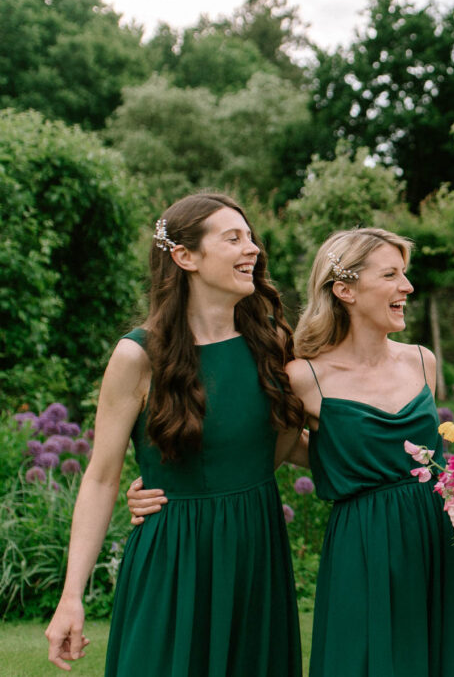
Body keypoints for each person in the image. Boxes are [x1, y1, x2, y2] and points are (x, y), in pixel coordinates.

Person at [45, 193, 305, 674]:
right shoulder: (137, 356)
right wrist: (71, 597)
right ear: (186, 257)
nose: (252, 249)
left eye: (250, 237)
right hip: (174, 559)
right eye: (233, 238)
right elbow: (101, 478)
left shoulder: (271, 345)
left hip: (256, 556)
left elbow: (286, 447)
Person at [284, 228, 454, 676]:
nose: (408, 287)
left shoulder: (422, 360)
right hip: (360, 540)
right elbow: (278, 448)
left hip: (433, 531)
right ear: (344, 290)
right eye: (391, 275)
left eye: (405, 274)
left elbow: (427, 454)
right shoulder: (305, 377)